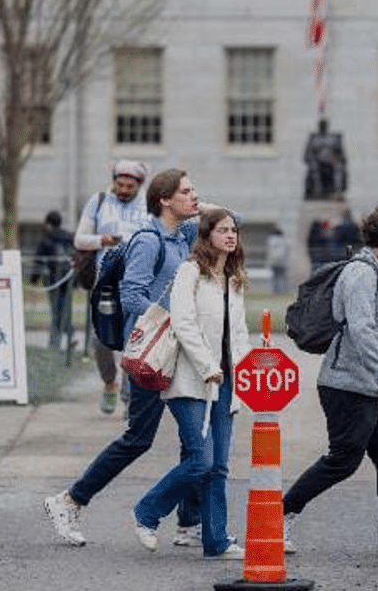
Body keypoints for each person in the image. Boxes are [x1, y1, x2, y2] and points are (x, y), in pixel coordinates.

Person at [45, 168, 225, 548]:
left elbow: (231, 223)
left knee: (196, 442)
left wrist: (202, 207)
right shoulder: (148, 240)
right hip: (151, 355)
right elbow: (132, 297)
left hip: (179, 353)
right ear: (164, 200)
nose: (194, 196)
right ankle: (69, 500)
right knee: (138, 439)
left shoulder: (184, 234)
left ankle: (187, 523)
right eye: (187, 192)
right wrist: (177, 321)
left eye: (195, 191)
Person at [282, 204, 378, 557]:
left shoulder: (376, 272)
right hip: (347, 384)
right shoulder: (361, 274)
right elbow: (361, 329)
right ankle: (279, 514)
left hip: (370, 383)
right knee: (343, 460)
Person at [133, 208, 250, 560]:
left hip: (226, 383)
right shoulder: (190, 272)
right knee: (200, 460)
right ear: (207, 235)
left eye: (234, 230)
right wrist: (207, 366)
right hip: (190, 380)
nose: (231, 236)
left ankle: (216, 541)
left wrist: (242, 371)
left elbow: (239, 332)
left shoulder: (233, 279)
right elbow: (184, 323)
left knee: (219, 467)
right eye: (223, 230)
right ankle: (147, 512)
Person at [72, 160, 152, 415]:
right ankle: (109, 382)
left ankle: (130, 400)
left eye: (130, 186)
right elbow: (79, 239)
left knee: (134, 342)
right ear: (114, 181)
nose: (124, 190)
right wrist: (101, 240)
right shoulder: (98, 201)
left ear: (139, 185)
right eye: (120, 184)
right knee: (101, 342)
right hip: (105, 285)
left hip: (138, 285)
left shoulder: (150, 206)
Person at [31, 211, 75, 349]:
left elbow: (39, 259)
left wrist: (34, 278)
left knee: (56, 309)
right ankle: (67, 336)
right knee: (65, 306)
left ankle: (57, 341)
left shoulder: (45, 238)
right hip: (68, 278)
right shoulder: (69, 237)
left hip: (53, 278)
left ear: (48, 223)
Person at [265, 226, 291, 294]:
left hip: (274, 261)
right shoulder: (284, 240)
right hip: (283, 261)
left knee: (275, 277)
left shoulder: (271, 240)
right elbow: (288, 250)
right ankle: (283, 290)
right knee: (283, 277)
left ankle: (275, 290)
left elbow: (270, 250)